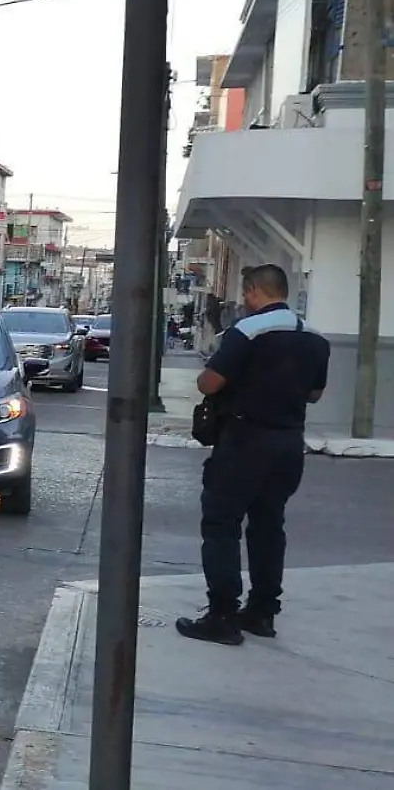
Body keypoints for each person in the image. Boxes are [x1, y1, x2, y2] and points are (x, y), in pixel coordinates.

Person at [175, 264, 329, 646]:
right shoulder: (314, 337)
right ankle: (262, 612)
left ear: (253, 291)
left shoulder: (247, 331)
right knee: (268, 525)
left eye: (245, 293)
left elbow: (209, 382)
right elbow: (314, 394)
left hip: (245, 440)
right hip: (289, 443)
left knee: (221, 524)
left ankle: (222, 615)